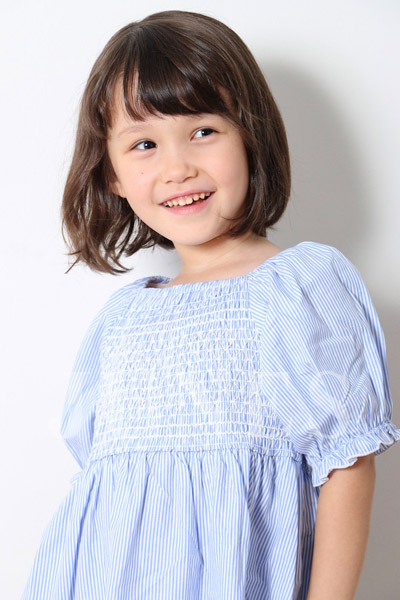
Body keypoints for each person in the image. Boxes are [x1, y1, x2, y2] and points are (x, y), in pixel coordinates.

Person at [21, 10, 400, 600]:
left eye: (202, 131)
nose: (178, 168)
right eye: (144, 144)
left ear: (249, 135)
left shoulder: (296, 287)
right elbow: (101, 499)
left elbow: (348, 463)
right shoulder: (120, 320)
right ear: (112, 174)